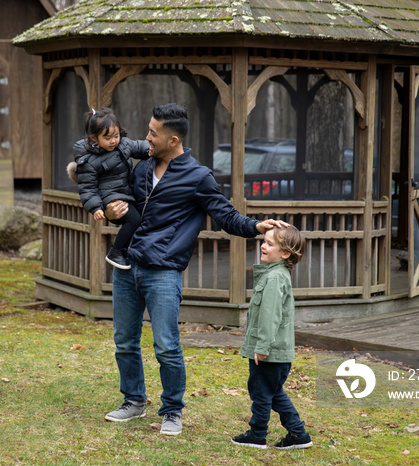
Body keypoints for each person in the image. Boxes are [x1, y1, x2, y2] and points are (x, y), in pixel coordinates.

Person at [103, 103, 288, 436]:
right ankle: (133, 402)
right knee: (124, 342)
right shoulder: (142, 167)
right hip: (126, 265)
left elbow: (226, 216)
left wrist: (257, 225)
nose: (146, 137)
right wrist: (113, 210)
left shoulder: (197, 176)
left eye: (152, 133)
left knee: (166, 346)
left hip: (163, 271)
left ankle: (172, 411)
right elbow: (126, 207)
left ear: (173, 139)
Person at [231, 225, 312, 450]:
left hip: (270, 352)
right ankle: (298, 434)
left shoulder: (275, 278)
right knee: (271, 392)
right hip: (275, 351)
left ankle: (257, 435)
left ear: (285, 253)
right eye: (263, 241)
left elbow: (270, 316)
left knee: (262, 392)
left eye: (269, 243)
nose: (263, 246)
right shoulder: (273, 274)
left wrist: (262, 347)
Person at [70, 107, 150, 269]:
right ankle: (116, 251)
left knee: (139, 217)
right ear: (94, 138)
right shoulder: (89, 161)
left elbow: (139, 146)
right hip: (110, 197)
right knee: (134, 220)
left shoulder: (123, 144)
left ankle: (127, 250)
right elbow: (88, 188)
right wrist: (96, 208)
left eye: (116, 135)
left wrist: (153, 148)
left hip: (126, 192)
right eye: (107, 138)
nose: (113, 141)